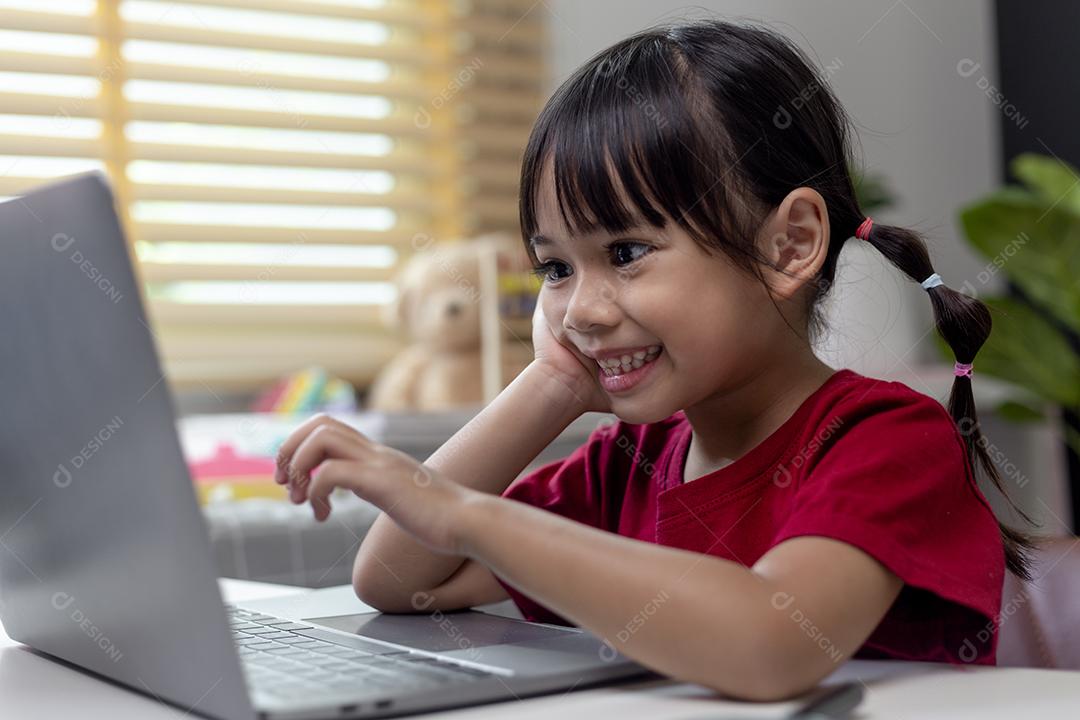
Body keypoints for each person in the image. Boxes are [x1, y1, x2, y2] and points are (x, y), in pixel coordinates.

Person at [275, 19, 1034, 700]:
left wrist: (462, 513)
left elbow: (772, 646)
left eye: (626, 252)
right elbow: (396, 580)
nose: (581, 310)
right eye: (555, 269)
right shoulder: (630, 463)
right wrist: (548, 384)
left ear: (790, 246)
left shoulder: (885, 439)